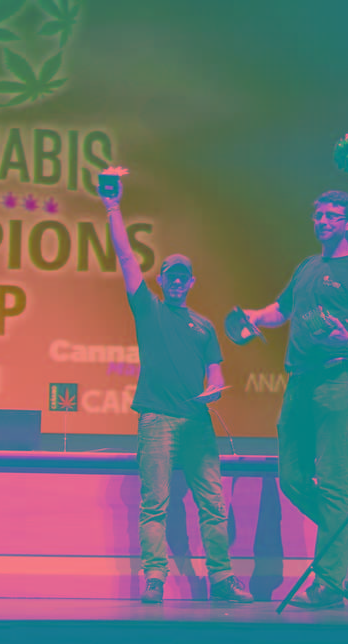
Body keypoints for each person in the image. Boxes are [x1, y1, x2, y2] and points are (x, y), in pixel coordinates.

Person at [238, 190, 348, 609]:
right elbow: (280, 310)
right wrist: (255, 317)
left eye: (333, 216)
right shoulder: (307, 267)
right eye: (319, 215)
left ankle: (329, 583)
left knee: (333, 482)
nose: (323, 221)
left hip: (338, 380)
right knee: (292, 478)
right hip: (300, 383)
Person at [102, 175, 252, 605]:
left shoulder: (204, 327)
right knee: (155, 503)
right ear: (163, 279)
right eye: (171, 276)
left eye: (183, 277)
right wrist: (113, 207)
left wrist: (214, 390)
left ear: (191, 282)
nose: (177, 282)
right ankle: (154, 578)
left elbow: (216, 375)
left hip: (198, 423)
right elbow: (126, 258)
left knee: (213, 504)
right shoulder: (148, 309)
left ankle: (221, 579)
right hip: (157, 420)